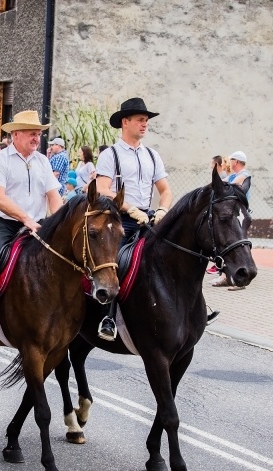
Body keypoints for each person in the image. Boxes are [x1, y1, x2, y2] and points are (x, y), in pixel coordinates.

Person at [0, 110, 62, 333]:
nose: (36, 138)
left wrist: (58, 222)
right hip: (3, 223)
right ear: (16, 134)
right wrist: (26, 219)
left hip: (38, 224)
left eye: (38, 134)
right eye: (32, 133)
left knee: (64, 256)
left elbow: (54, 196)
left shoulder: (43, 161)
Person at [93, 97, 173, 341]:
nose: (144, 124)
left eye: (146, 121)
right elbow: (102, 189)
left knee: (177, 256)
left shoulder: (152, 155)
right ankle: (108, 316)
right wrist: (129, 208)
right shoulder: (111, 155)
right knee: (117, 262)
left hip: (148, 219)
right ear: (125, 122)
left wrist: (162, 210)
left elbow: (166, 190)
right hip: (120, 220)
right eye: (140, 120)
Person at [211, 150, 251, 290]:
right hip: (231, 214)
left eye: (232, 159)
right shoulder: (234, 175)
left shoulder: (244, 175)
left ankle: (240, 278)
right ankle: (226, 276)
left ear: (237, 162)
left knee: (237, 245)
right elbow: (221, 183)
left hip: (238, 217)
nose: (229, 161)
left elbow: (228, 186)